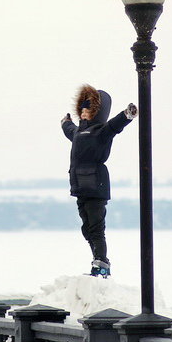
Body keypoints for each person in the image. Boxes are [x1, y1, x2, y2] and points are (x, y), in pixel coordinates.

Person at [61, 84, 137, 278]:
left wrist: (127, 115)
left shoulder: (101, 131)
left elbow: (115, 125)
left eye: (88, 110)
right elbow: (69, 129)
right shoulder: (78, 132)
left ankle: (102, 264)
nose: (84, 113)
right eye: (83, 110)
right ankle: (97, 258)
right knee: (87, 228)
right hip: (80, 187)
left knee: (96, 228)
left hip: (96, 186)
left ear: (96, 112)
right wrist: (64, 122)